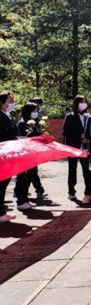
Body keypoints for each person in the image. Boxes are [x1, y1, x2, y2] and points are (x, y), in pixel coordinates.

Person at [63, 95, 91, 203]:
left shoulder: (88, 116)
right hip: (73, 147)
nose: (84, 104)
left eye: (85, 101)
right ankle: (71, 192)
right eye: (81, 102)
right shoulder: (70, 116)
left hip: (85, 148)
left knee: (87, 170)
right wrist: (79, 136)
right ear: (76, 103)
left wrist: (87, 138)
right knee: (72, 169)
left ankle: (89, 190)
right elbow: (65, 132)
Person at [14, 102, 43, 210]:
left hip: (32, 153)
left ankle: (25, 199)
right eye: (34, 111)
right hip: (24, 154)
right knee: (22, 178)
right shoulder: (22, 123)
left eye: (37, 111)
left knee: (29, 177)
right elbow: (21, 138)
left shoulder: (34, 123)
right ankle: (20, 200)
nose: (36, 113)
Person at [0, 90, 18, 222]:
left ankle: (1, 211)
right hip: (3, 153)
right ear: (2, 102)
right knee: (1, 184)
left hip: (8, 153)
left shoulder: (7, 115)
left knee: (4, 184)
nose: (12, 103)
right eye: (10, 101)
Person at [26, 96, 46, 198]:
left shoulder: (37, 120)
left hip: (34, 149)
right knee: (31, 171)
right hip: (27, 150)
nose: (39, 108)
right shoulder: (25, 121)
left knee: (30, 171)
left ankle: (20, 190)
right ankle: (39, 189)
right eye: (38, 105)